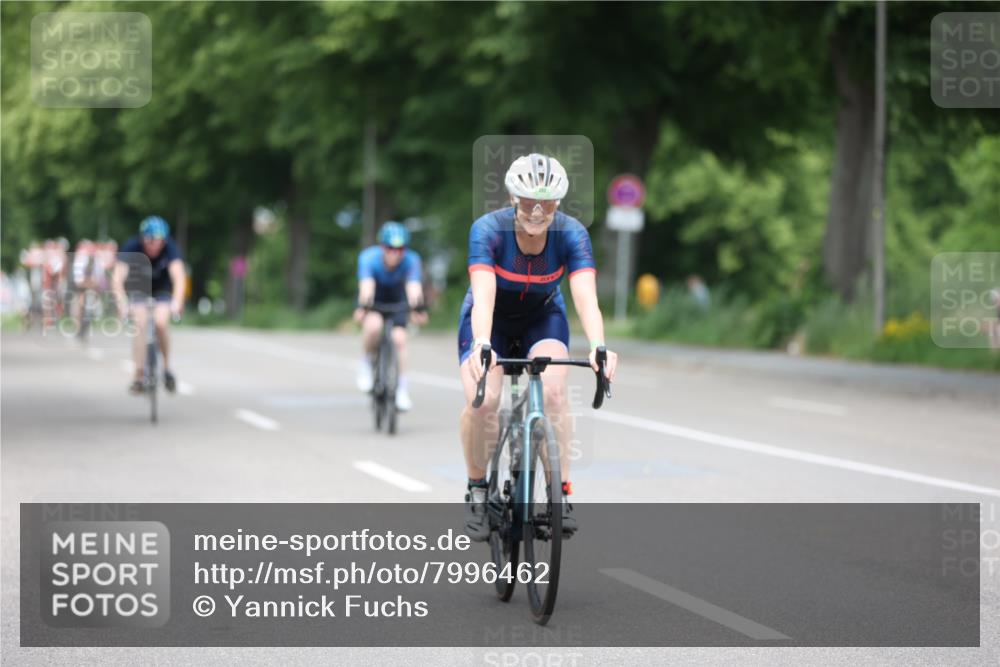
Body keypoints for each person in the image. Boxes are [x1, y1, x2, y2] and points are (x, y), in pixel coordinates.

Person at [459, 153, 618, 541]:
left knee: (554, 392)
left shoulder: (572, 234)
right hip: (490, 319)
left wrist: (599, 346)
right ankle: (478, 489)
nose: (536, 211)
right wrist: (482, 342)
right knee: (484, 401)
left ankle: (560, 495)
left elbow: (585, 298)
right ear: (513, 198)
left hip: (542, 317)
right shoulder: (488, 230)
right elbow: (483, 297)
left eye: (546, 203)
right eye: (528, 201)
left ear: (557, 203)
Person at [353, 221, 427, 411]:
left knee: (400, 339)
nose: (395, 253)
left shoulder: (412, 260)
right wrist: (363, 308)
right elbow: (367, 287)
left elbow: (413, 288)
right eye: (390, 248)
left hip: (398, 297)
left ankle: (401, 390)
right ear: (382, 247)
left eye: (400, 249)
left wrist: (418, 309)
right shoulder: (369, 258)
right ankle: (366, 363)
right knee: (374, 326)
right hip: (375, 295)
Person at [113, 216, 186, 394]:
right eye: (151, 241)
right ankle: (139, 375)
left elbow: (179, 277)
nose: (155, 245)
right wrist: (122, 302)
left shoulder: (170, 248)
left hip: (162, 290)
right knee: (140, 324)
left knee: (161, 323)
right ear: (143, 238)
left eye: (159, 241)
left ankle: (167, 368)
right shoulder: (132, 247)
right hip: (139, 289)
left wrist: (177, 301)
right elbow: (117, 279)